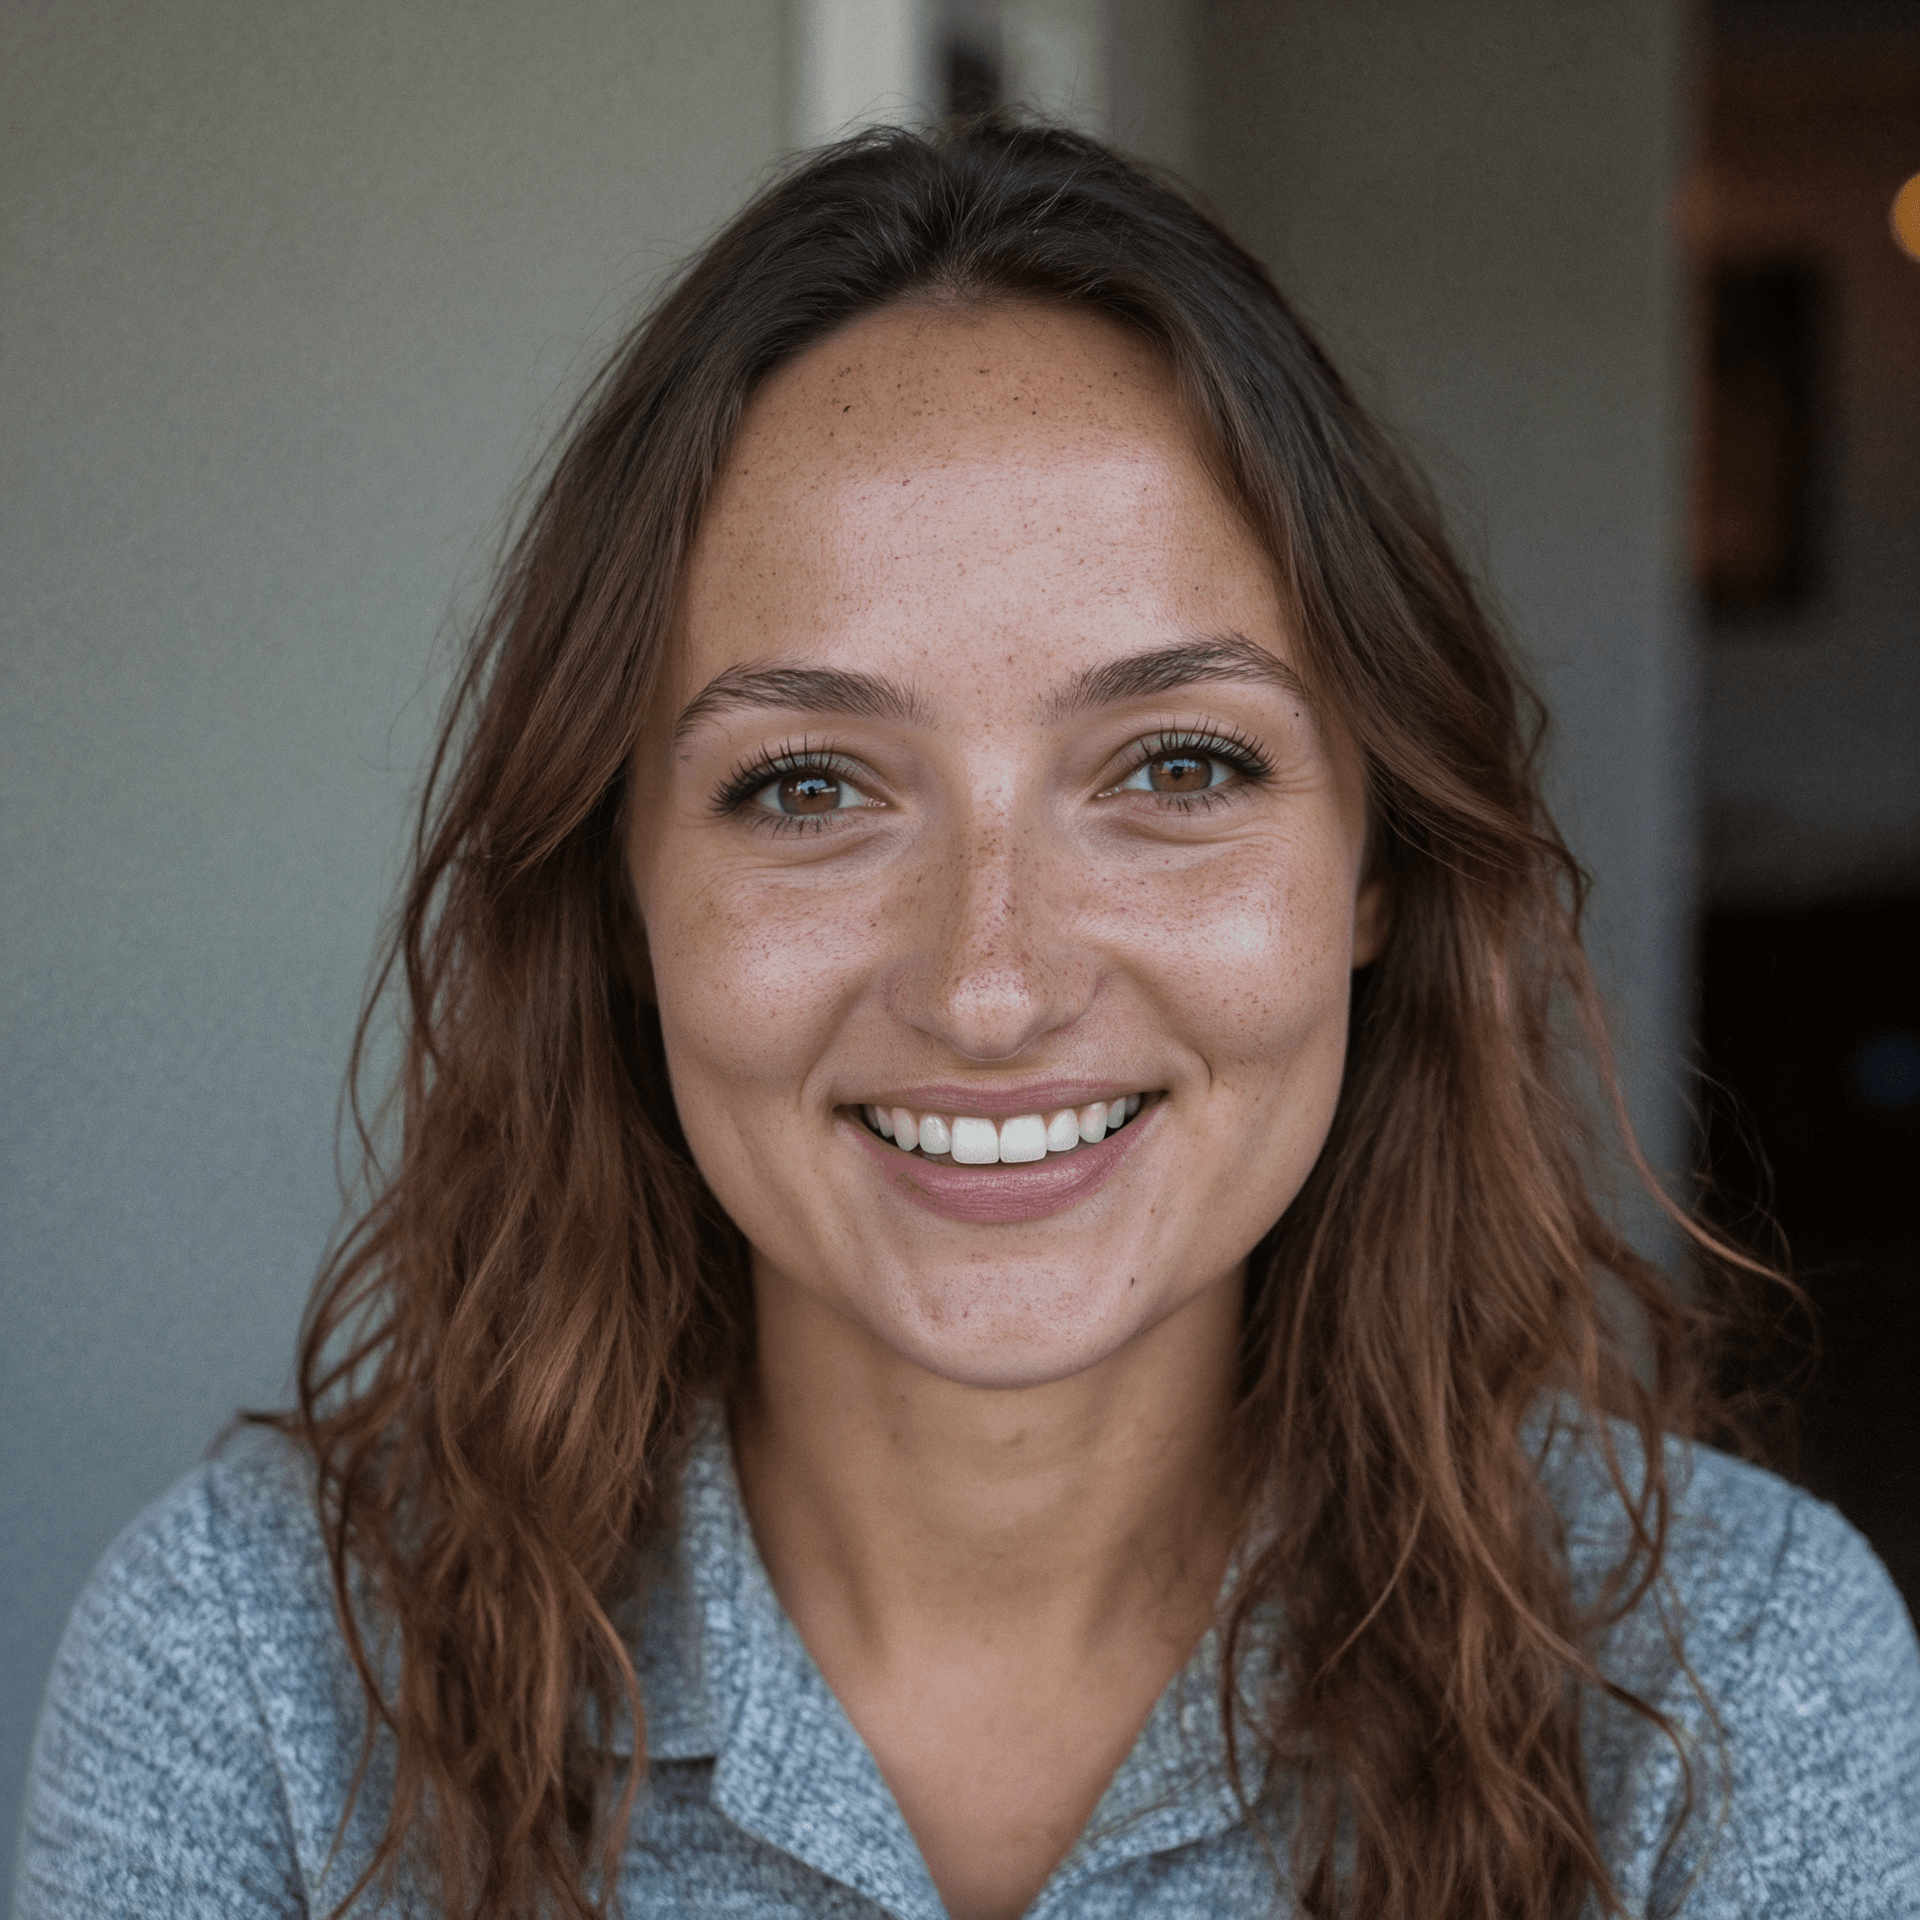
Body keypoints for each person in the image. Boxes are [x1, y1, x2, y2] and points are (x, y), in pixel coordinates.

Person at [13, 119, 1919, 1920]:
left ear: (1377, 869)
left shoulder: (1727, 1686)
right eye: (809, 786)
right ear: (619, 900)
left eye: (1175, 764)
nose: (990, 986)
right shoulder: (258, 1667)